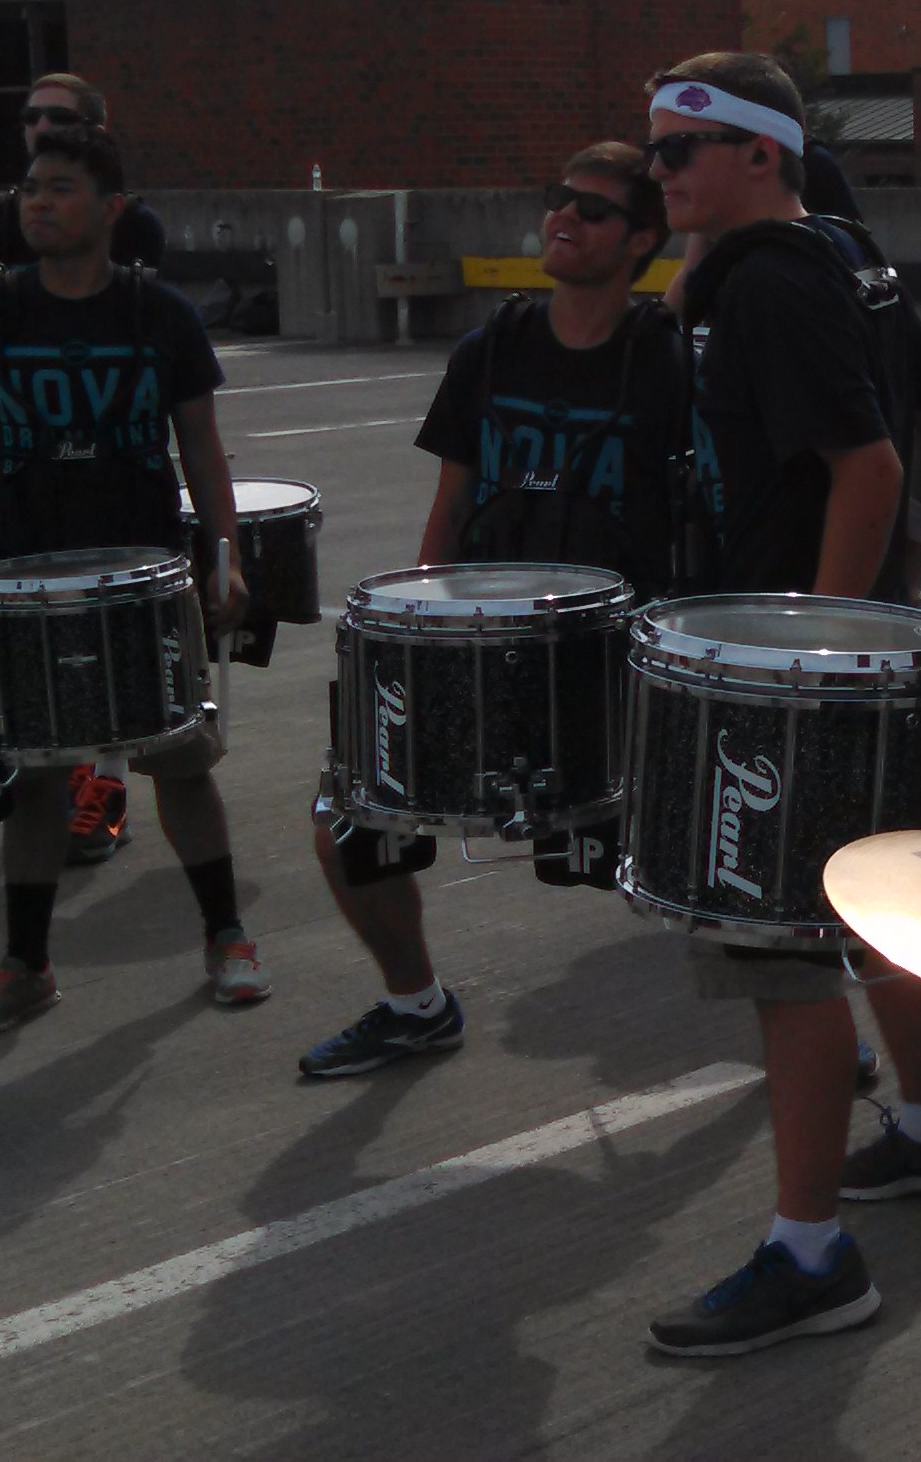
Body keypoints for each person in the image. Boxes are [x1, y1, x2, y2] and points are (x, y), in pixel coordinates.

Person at [637, 51, 921, 1360]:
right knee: (876, 912)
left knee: (779, 950)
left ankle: (810, 1254)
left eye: (679, 150)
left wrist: (817, 655)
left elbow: (871, 464)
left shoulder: (772, 284)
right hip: (858, 647)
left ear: (758, 153)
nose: (659, 172)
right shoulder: (841, 251)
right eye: (653, 150)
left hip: (791, 668)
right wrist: (908, 583)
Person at [294, 144, 687, 1079]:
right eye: (559, 198)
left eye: (593, 209)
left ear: (641, 240)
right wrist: (421, 636)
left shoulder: (670, 360)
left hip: (611, 659)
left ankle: (804, 1026)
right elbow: (452, 501)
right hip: (483, 648)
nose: (565, 217)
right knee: (349, 818)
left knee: (704, 851)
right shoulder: (492, 347)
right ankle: (415, 1006)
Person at [0, 124, 268, 1036]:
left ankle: (227, 934)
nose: (38, 202)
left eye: (60, 187)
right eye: (30, 187)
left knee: (178, 760)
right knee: (37, 773)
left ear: (112, 209)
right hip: (24, 575)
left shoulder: (161, 315)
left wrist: (225, 558)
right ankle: (26, 964)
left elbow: (202, 450)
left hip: (143, 573)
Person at [0, 72, 169, 868]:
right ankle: (61, 779)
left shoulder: (132, 225)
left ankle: (107, 784)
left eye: (57, 116)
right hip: (29, 471)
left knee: (115, 639)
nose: (38, 126)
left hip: (114, 468)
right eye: (30, 116)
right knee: (45, 647)